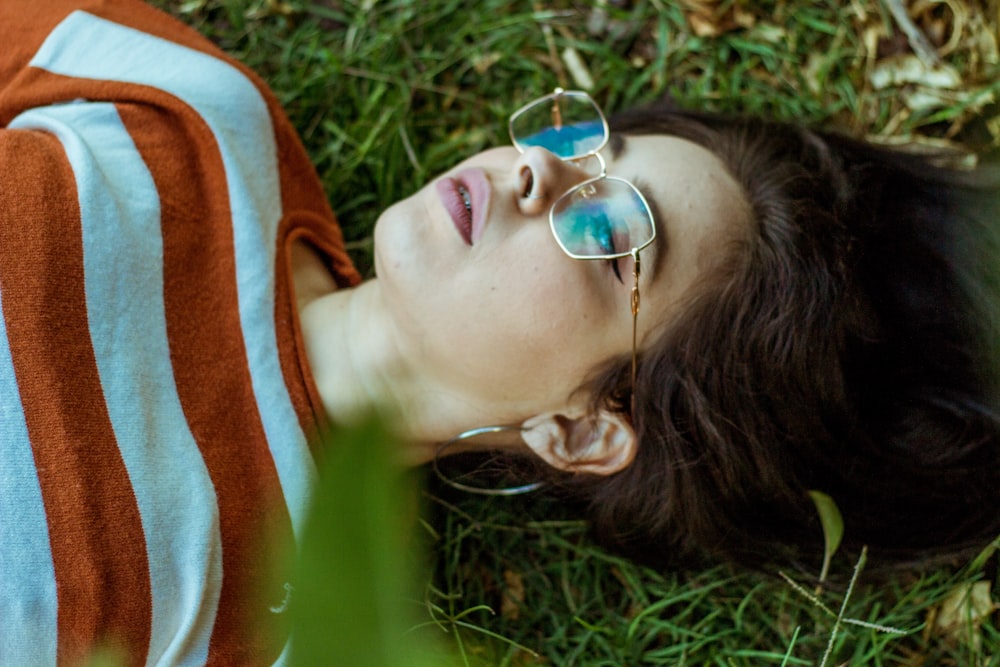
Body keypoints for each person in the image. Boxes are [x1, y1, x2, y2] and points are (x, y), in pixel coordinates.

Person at [3, 0, 999, 664]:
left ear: (583, 429)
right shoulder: (193, 116)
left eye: (609, 230)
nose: (538, 172)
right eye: (586, 145)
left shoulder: (304, 617)